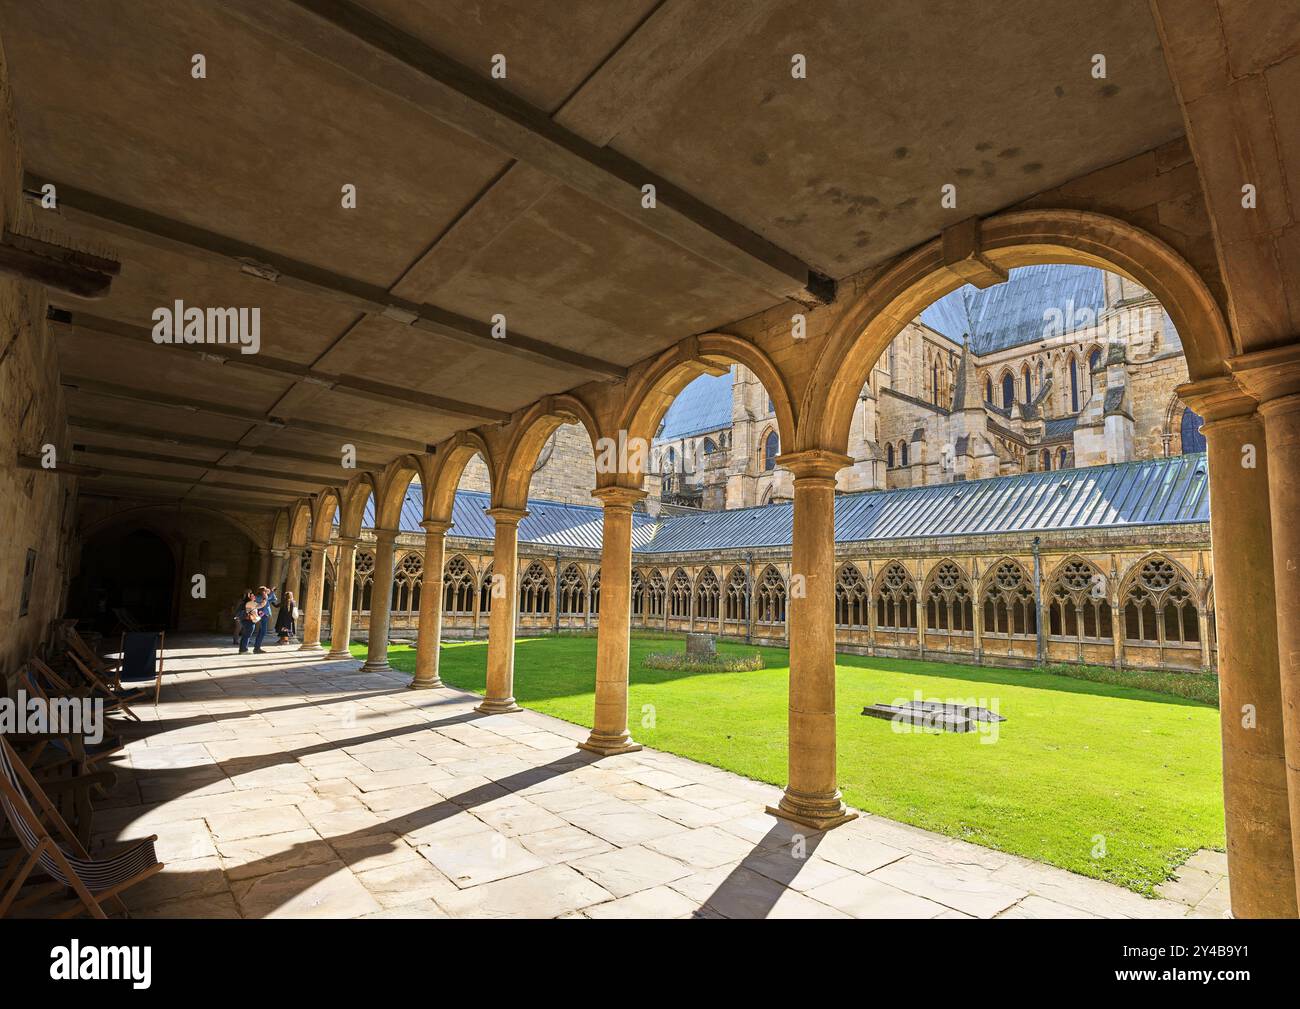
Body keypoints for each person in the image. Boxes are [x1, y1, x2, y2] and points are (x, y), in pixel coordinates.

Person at [250, 585, 278, 654]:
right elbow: (263, 600)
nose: (266, 592)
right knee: (263, 631)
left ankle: (257, 647)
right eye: (265, 591)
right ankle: (257, 648)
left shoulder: (266, 597)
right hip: (262, 615)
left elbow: (274, 599)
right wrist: (270, 592)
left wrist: (272, 592)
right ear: (262, 591)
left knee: (262, 631)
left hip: (265, 615)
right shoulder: (258, 597)